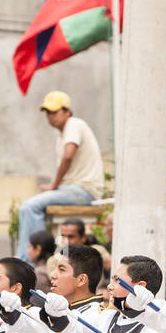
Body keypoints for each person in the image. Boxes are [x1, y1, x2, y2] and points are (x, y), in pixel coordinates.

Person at [16, 92, 104, 257]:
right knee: (31, 205)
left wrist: (54, 186)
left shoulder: (73, 124)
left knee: (30, 207)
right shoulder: (63, 134)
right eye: (47, 113)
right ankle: (31, 257)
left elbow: (68, 155)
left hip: (83, 191)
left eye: (54, 112)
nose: (50, 116)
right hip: (74, 189)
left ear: (67, 111)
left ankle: (29, 260)